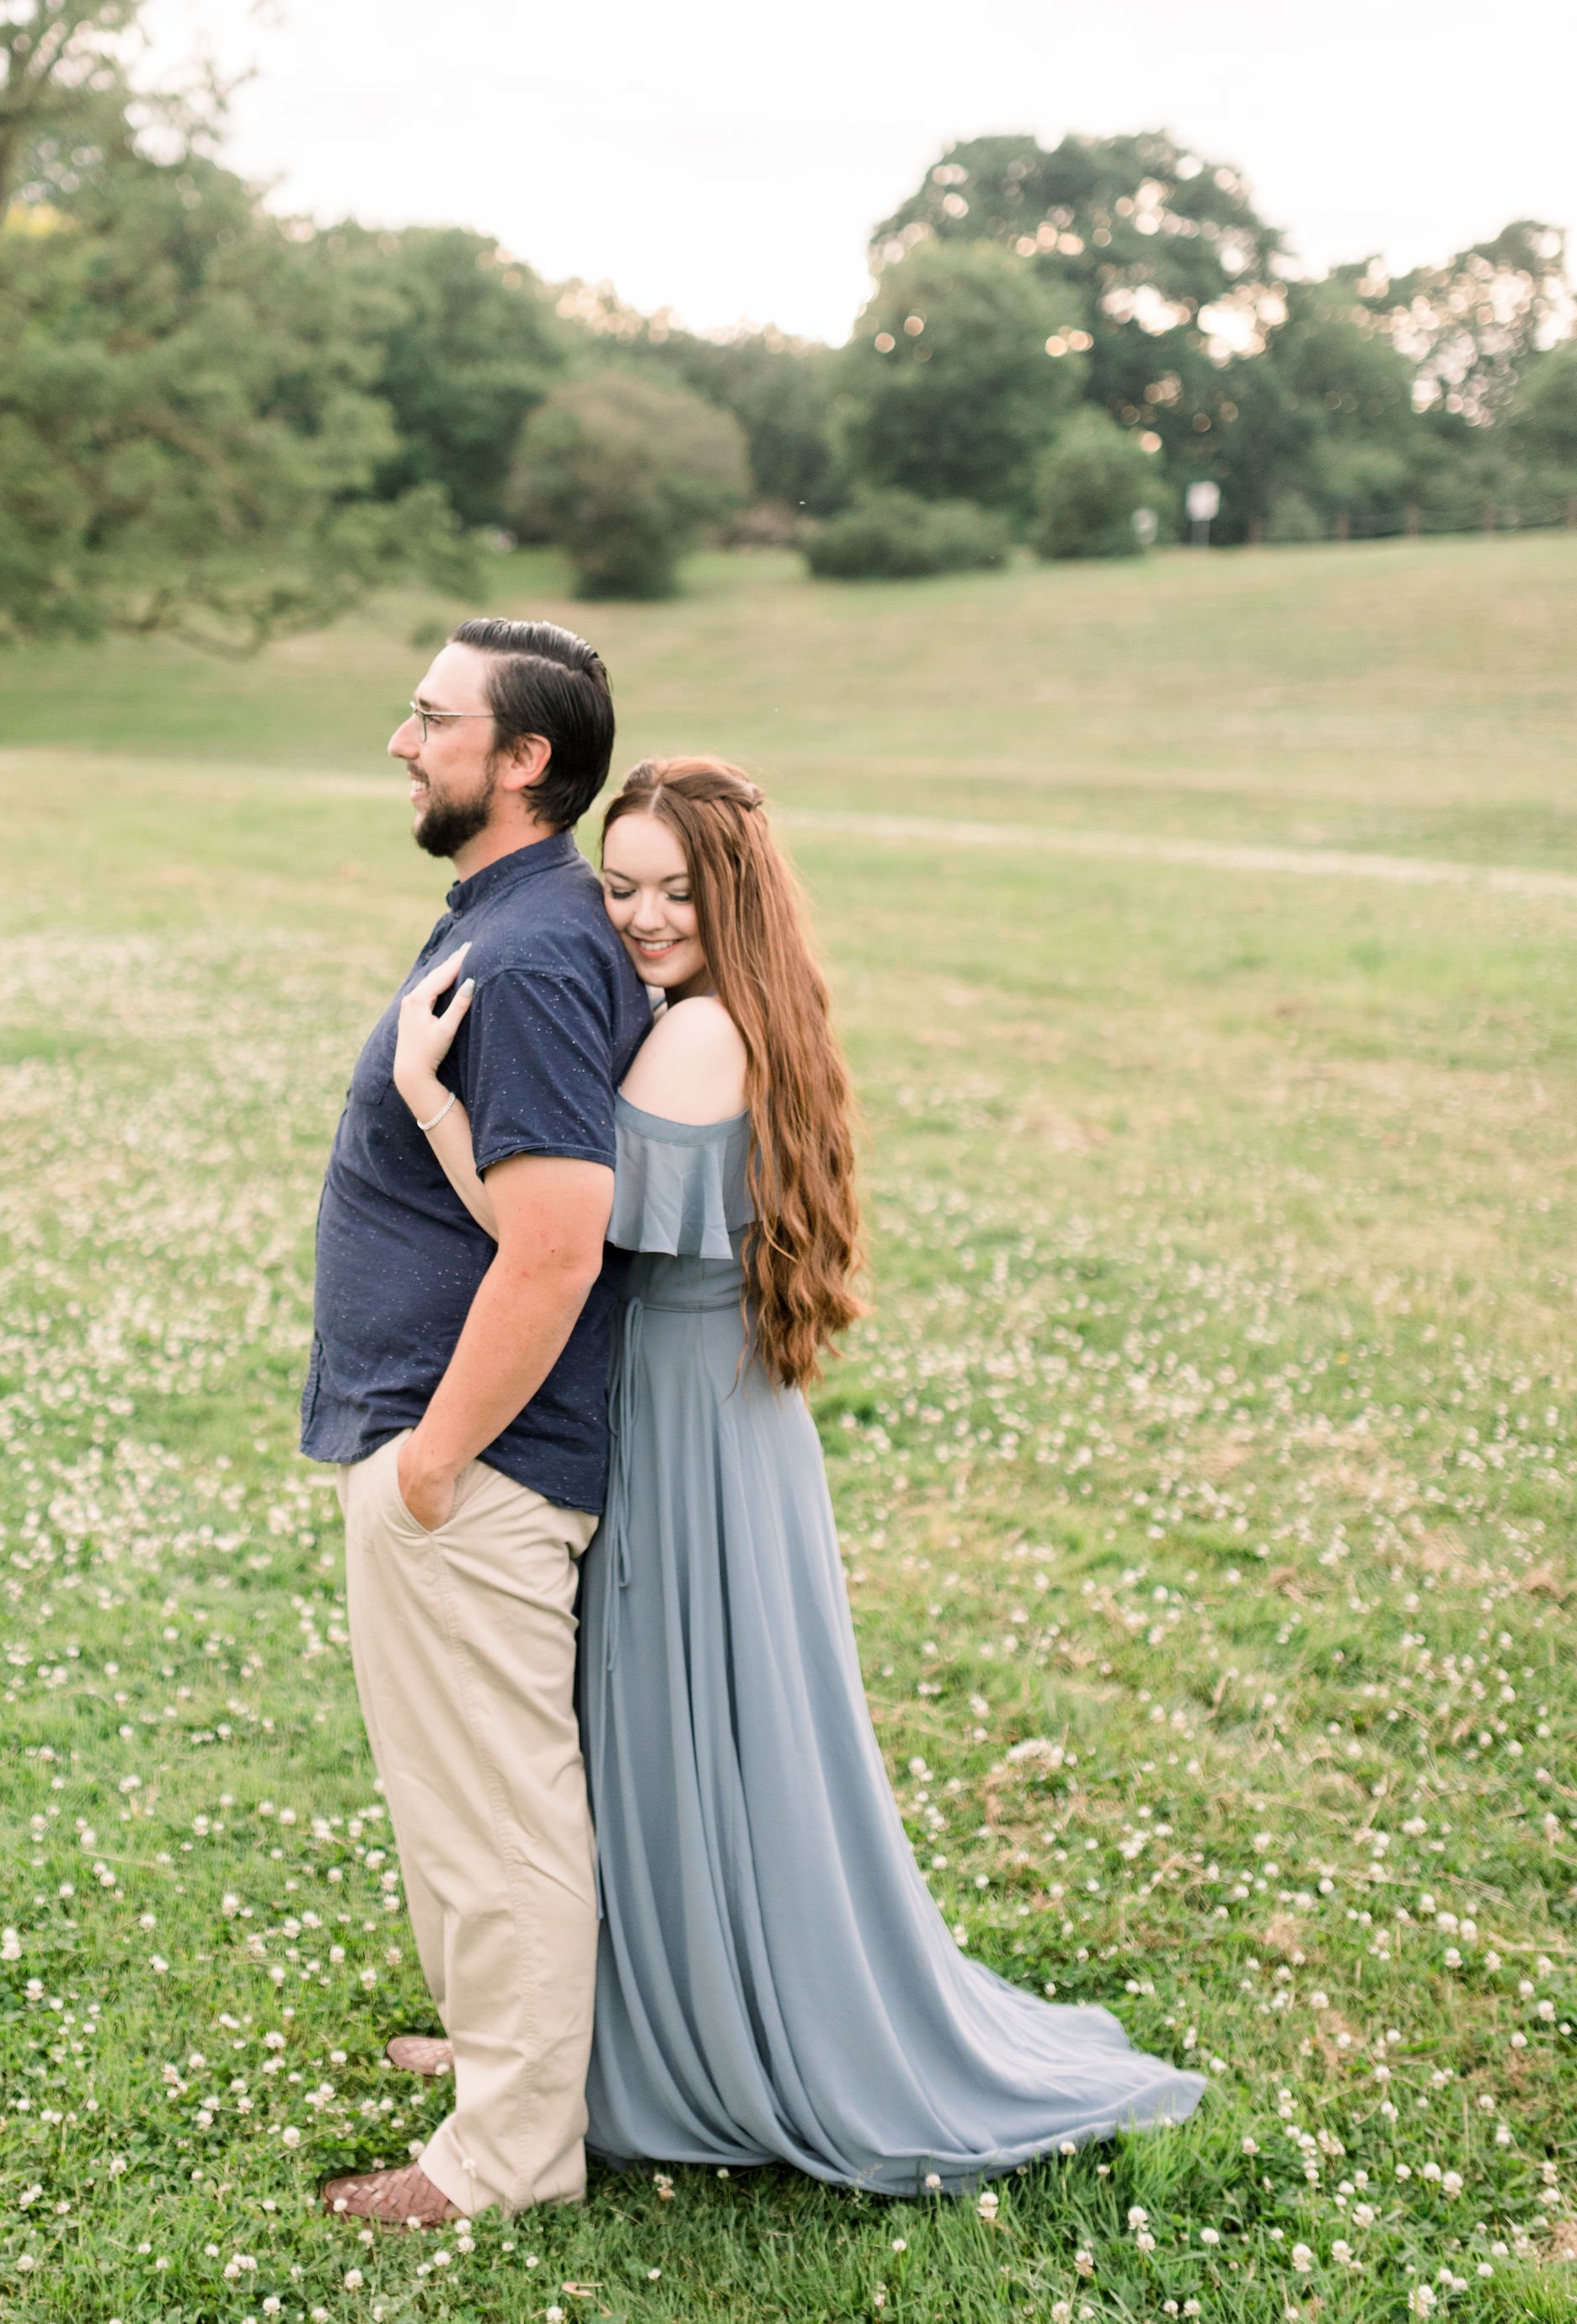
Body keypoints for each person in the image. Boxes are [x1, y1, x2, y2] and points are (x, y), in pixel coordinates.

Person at [393, 752, 1205, 2194]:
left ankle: (666, 2041)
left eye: (675, 893)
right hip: (714, 1400)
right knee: (659, 1724)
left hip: (682, 1413)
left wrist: (434, 1103)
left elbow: (558, 1239)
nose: (641, 918)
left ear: (734, 896)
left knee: (676, 1724)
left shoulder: (696, 1040)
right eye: (623, 886)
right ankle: (585, 2024)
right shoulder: (724, 1010)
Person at [302, 617, 654, 2230]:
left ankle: (507, 2160)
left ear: (524, 760)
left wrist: (435, 1458)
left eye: (433, 719)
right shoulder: (517, 919)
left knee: (500, 1803)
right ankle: (494, 2050)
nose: (401, 740)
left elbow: (560, 1239)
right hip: (452, 1451)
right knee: (456, 1793)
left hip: (480, 1465)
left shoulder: (524, 952)